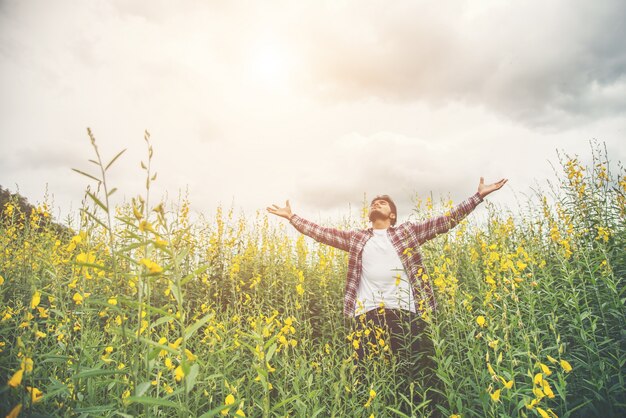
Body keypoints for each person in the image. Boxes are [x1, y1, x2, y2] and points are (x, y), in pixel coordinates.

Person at [267, 177, 507, 404]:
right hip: (367, 315)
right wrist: (292, 217)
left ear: (392, 215)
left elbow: (445, 221)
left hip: (404, 312)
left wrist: (477, 197)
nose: (376, 204)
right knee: (365, 374)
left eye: (382, 203)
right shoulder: (356, 238)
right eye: (373, 203)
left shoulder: (407, 233)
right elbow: (322, 233)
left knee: (412, 374)